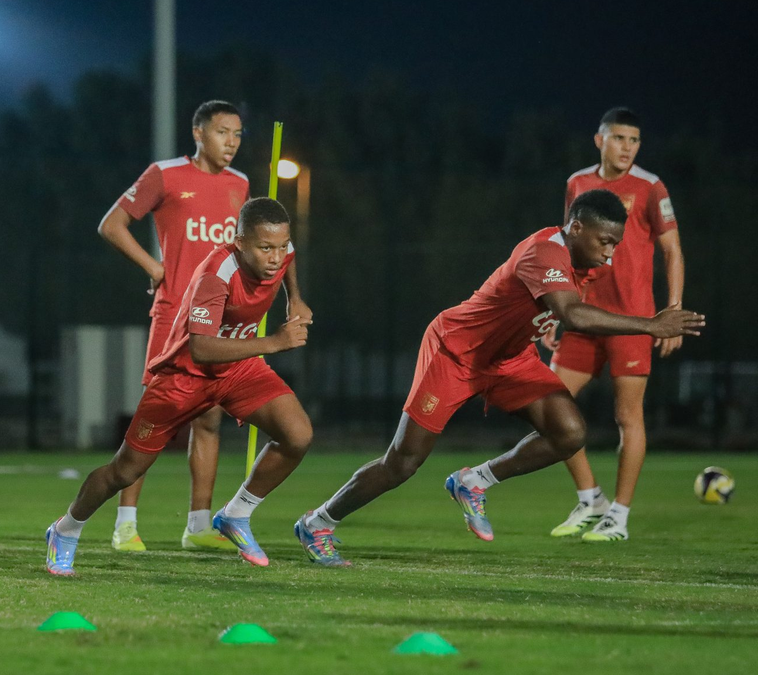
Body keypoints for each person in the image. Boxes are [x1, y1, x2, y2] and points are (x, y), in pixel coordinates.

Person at [294, 190, 703, 567]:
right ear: (576, 227)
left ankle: (474, 481)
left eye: (616, 244)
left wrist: (542, 322)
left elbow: (560, 307)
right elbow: (573, 313)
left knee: (569, 431)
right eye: (605, 242)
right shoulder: (544, 251)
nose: (610, 254)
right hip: (455, 353)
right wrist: (650, 325)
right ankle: (317, 523)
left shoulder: (584, 261)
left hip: (510, 359)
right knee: (402, 462)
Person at [46, 198, 312, 576]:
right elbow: (201, 348)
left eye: (281, 245)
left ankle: (235, 515)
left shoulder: (279, 250)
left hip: (238, 369)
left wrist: (295, 298)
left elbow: (289, 258)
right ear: (239, 242)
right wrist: (274, 342)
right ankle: (65, 530)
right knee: (125, 471)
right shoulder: (216, 274)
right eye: (265, 248)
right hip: (184, 377)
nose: (275, 256)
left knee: (297, 434)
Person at [98, 99, 310, 552]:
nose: (231, 143)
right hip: (177, 314)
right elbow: (112, 225)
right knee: (155, 416)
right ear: (198, 133)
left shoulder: (242, 185)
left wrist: (290, 297)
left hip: (226, 321)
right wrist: (154, 268)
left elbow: (277, 250)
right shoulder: (165, 174)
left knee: (210, 420)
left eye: (237, 134)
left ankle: (198, 526)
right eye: (221, 132)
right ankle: (125, 525)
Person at [546, 108, 685, 542]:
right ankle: (591, 499)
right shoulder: (577, 183)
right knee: (548, 404)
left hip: (630, 321)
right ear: (599, 141)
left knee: (627, 416)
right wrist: (556, 310)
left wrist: (673, 312)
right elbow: (568, 247)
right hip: (583, 316)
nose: (628, 147)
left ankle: (619, 517)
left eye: (635, 140)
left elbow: (672, 252)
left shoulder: (649, 186)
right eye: (620, 138)